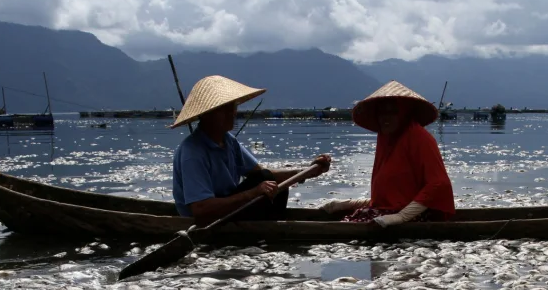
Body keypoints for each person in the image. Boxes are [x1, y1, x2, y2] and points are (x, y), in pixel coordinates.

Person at [171, 75, 331, 222]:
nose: (233, 113)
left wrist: (307, 171)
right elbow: (201, 209)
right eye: (224, 109)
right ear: (206, 115)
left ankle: (268, 228)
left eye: (233, 107)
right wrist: (253, 193)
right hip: (206, 220)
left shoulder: (228, 141)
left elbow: (261, 173)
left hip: (229, 210)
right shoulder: (192, 152)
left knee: (269, 179)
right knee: (265, 181)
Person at [321, 80, 454, 226]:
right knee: (353, 219)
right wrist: (346, 204)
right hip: (392, 210)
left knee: (358, 224)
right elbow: (390, 198)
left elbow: (438, 184)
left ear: (404, 113)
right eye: (382, 112)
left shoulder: (419, 137)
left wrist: (402, 216)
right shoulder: (386, 139)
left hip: (421, 215)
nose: (386, 118)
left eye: (393, 112)